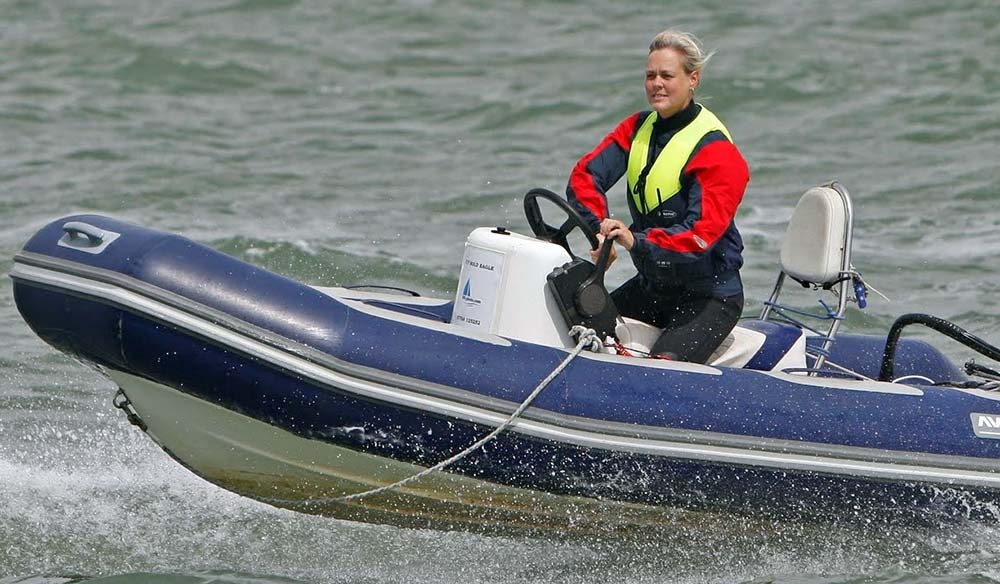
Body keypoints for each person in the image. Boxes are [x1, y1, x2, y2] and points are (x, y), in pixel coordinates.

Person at [565, 29, 750, 363]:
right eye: (650, 75)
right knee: (575, 326)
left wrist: (636, 242)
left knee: (659, 366)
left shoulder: (716, 151)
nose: (656, 84)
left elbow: (699, 237)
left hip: (708, 298)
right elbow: (585, 177)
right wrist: (600, 231)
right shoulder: (636, 129)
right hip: (653, 289)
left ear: (693, 79)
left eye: (668, 75)